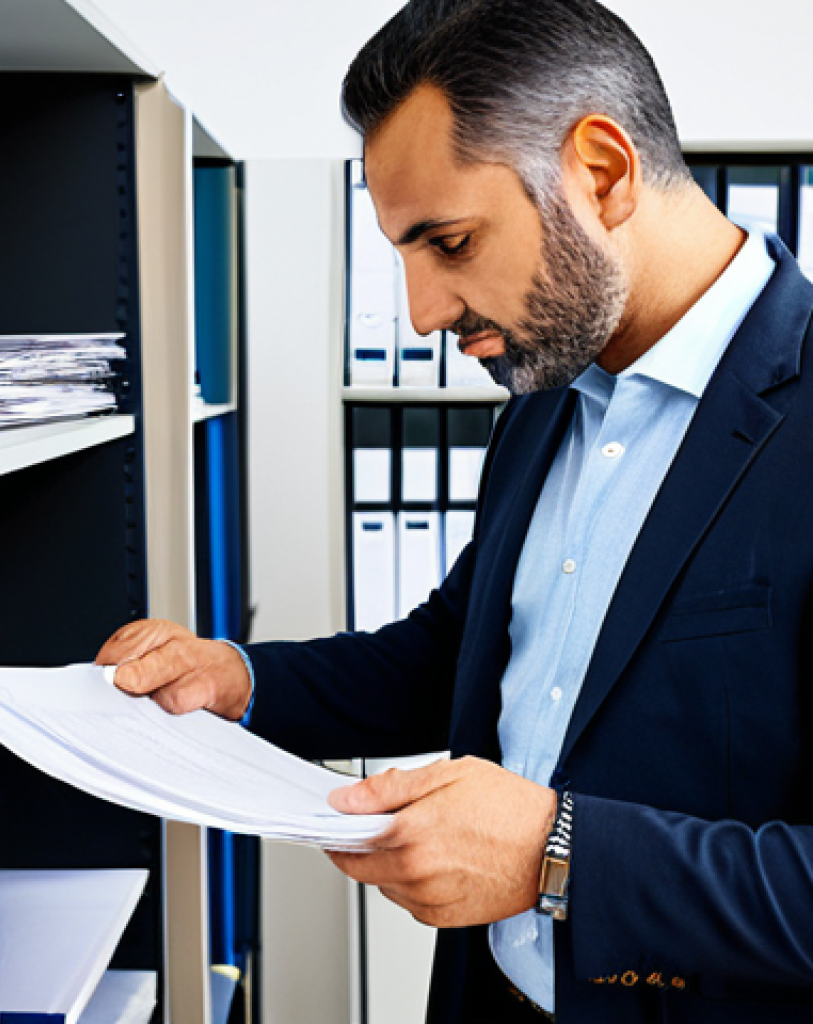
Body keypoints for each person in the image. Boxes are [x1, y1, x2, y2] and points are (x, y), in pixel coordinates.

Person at [97, 1, 813, 1019]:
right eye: (400, 252)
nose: (425, 311)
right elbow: (468, 648)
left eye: (451, 242)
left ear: (601, 172)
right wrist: (243, 679)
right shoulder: (548, 395)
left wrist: (558, 855)